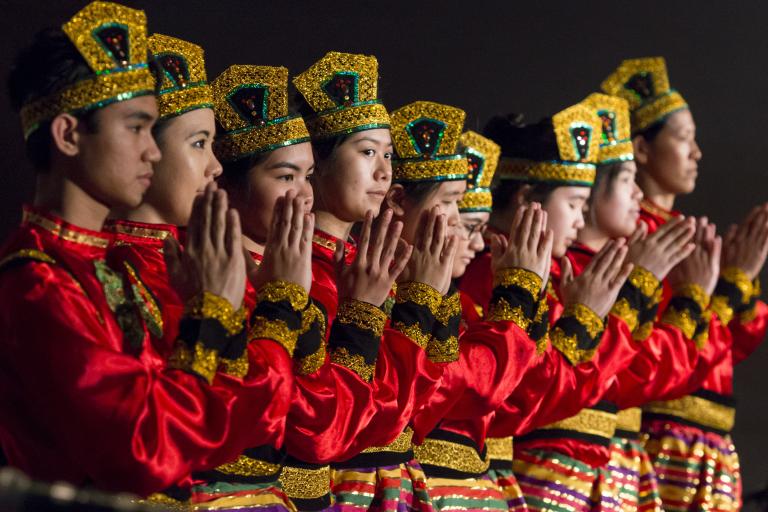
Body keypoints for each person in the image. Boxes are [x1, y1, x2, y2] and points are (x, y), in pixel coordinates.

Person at [0, 2, 301, 497]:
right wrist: (213, 313)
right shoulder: (38, 282)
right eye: (136, 127)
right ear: (69, 134)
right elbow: (143, 451)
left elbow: (236, 424)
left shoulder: (109, 267)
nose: (153, 151)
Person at [602, 56, 768, 510]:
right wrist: (728, 286)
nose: (696, 153)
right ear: (641, 149)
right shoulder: (634, 238)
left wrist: (740, 279)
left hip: (712, 435)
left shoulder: (688, 236)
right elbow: (674, 351)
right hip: (660, 434)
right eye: (683, 139)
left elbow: (734, 342)